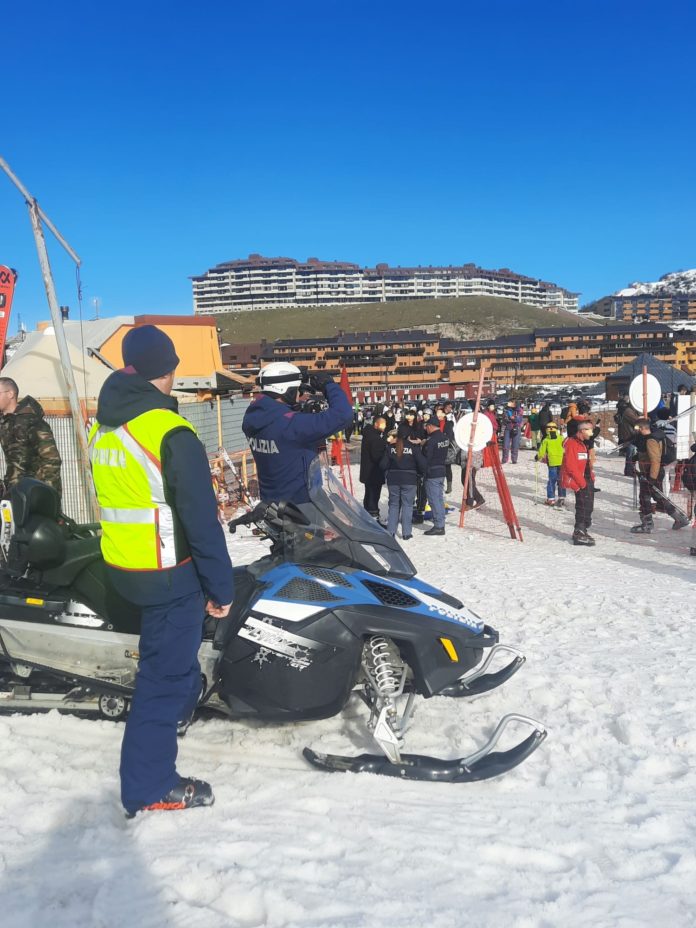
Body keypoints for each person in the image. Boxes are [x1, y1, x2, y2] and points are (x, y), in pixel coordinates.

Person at [89, 325, 234, 817]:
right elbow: (199, 519)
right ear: (167, 371)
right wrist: (220, 587)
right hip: (168, 573)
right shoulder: (170, 430)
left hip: (124, 564)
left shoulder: (104, 423)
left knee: (171, 666)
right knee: (163, 678)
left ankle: (175, 713)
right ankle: (149, 786)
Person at [242, 362, 352, 504]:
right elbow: (343, 415)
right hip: (301, 508)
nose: (299, 394)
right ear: (286, 390)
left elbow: (278, 418)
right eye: (296, 390)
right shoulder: (292, 425)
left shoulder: (252, 418)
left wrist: (296, 406)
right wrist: (329, 385)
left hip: (272, 504)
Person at [0, 377, 62, 498]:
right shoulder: (5, 422)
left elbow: (51, 459)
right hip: (14, 492)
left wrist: (47, 494)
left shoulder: (32, 422)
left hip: (34, 492)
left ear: (10, 394)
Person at [629, 418, 689, 534]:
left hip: (652, 473)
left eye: (637, 428)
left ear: (642, 428)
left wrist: (651, 478)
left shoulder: (651, 440)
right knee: (658, 497)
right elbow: (649, 455)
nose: (636, 431)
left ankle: (647, 524)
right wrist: (638, 456)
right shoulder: (651, 436)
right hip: (652, 472)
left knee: (645, 498)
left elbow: (655, 460)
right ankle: (679, 518)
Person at [381, 428, 425, 538]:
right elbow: (423, 464)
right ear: (409, 436)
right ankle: (406, 533)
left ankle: (391, 531)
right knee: (408, 506)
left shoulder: (391, 448)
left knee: (394, 505)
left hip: (393, 480)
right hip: (409, 480)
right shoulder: (414, 447)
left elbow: (382, 465)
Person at [561, 419, 596, 546]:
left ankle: (583, 529)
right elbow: (571, 466)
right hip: (579, 481)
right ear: (582, 431)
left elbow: (587, 462)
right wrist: (582, 483)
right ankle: (579, 531)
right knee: (582, 506)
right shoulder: (572, 444)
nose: (591, 432)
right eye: (589, 430)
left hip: (586, 479)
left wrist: (591, 477)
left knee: (589, 506)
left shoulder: (584, 443)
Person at [422, 418, 450, 535]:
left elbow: (427, 458)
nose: (426, 429)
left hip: (432, 472)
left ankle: (439, 526)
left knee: (434, 500)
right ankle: (440, 522)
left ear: (431, 426)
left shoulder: (432, 440)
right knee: (439, 499)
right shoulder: (444, 438)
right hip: (441, 471)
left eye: (426, 426)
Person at [359, 415, 388, 519]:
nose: (384, 426)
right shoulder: (375, 438)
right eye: (382, 424)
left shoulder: (369, 434)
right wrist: (385, 444)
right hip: (374, 472)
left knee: (368, 494)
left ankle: (367, 513)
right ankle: (373, 515)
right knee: (373, 496)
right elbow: (377, 456)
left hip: (368, 472)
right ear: (376, 424)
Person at [537, 421, 566, 507]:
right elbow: (566, 447)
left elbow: (541, 452)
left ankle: (551, 499)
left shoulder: (546, 440)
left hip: (552, 463)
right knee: (561, 480)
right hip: (561, 462)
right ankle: (562, 497)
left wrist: (537, 457)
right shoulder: (561, 438)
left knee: (551, 481)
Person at [435, 405, 456, 493]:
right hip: (437, 447)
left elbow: (450, 436)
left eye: (440, 413)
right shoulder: (435, 423)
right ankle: (440, 484)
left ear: (444, 414)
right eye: (437, 413)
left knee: (447, 467)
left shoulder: (448, 423)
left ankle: (449, 485)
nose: (438, 414)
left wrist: (443, 439)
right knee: (439, 467)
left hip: (446, 448)